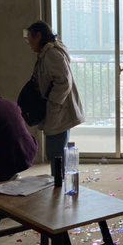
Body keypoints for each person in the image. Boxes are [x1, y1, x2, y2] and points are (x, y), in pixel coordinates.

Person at [25, 21, 85, 173]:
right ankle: (59, 182)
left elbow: (64, 82)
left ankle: (59, 184)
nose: (29, 43)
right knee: (57, 151)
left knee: (55, 152)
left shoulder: (51, 54)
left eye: (30, 38)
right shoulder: (49, 52)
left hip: (58, 109)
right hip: (58, 109)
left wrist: (52, 102)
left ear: (38, 36)